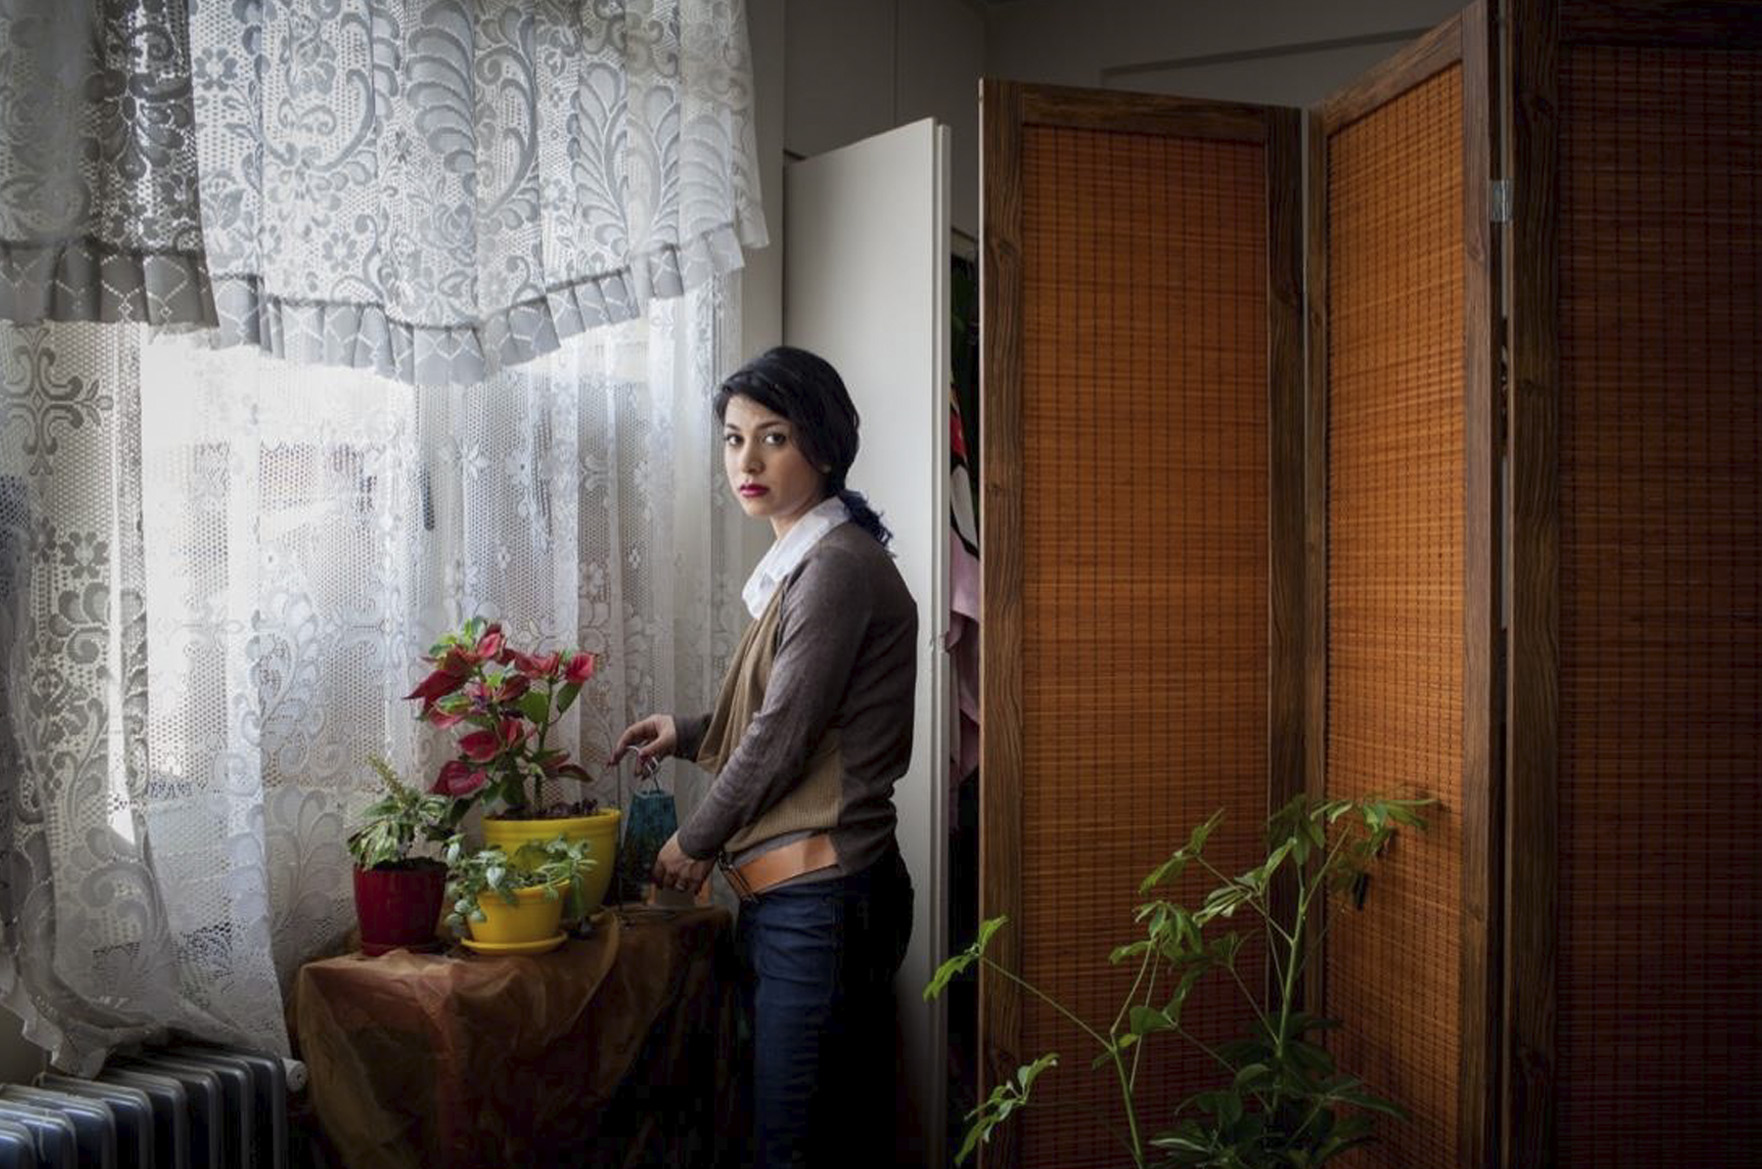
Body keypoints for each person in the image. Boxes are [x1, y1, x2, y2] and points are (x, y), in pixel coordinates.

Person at [610, 345, 916, 1169]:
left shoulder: (835, 568)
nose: (746, 461)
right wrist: (688, 728)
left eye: (773, 437)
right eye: (733, 438)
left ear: (824, 445)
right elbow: (799, 715)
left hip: (820, 906)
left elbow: (782, 734)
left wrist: (694, 840)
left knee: (793, 1148)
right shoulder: (809, 562)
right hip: (801, 904)